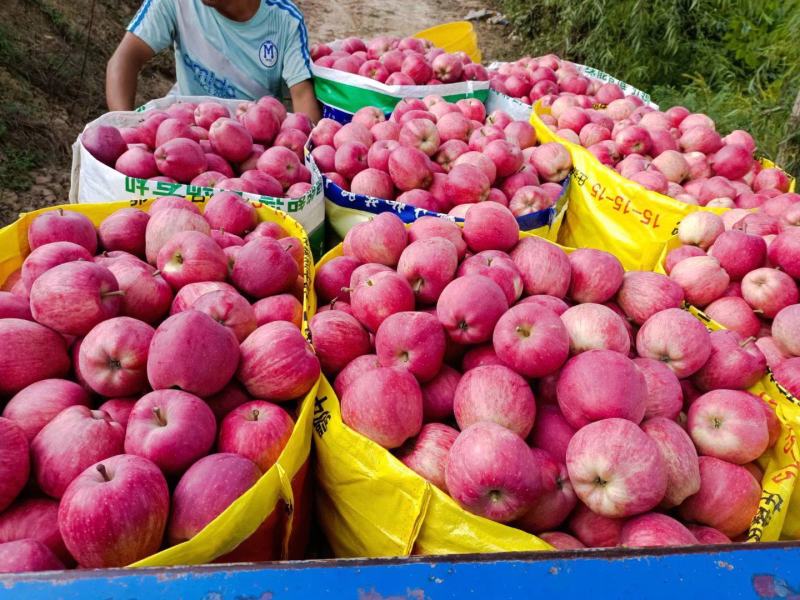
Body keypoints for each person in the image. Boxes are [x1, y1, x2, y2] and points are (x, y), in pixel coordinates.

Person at [106, 0, 321, 121]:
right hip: (184, 130)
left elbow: (302, 96)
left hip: (252, 142)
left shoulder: (285, 21)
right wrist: (124, 124)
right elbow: (124, 59)